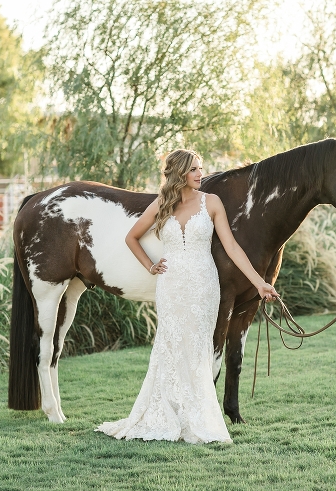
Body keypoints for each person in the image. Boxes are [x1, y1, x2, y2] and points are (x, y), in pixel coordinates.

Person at [96, 149, 279, 444]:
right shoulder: (162, 204)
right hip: (170, 284)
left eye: (201, 168)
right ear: (179, 173)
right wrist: (150, 265)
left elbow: (232, 248)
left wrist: (259, 283)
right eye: (194, 169)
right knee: (169, 346)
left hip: (203, 284)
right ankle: (169, 415)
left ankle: (199, 417)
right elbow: (132, 237)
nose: (200, 174)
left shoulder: (212, 203)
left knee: (198, 348)